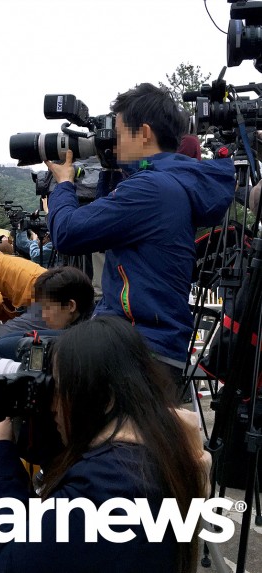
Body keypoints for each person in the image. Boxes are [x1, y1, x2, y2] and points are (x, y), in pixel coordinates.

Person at [0, 316, 209, 573]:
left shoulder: (104, 485)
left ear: (100, 396)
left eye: (59, 388)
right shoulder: (162, 444)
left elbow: (4, 562)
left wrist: (0, 447)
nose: (52, 405)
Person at [46, 83, 234, 387]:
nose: (113, 142)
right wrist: (110, 170)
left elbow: (67, 233)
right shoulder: (167, 183)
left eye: (118, 133)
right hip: (150, 346)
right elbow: (110, 225)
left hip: (140, 352)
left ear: (144, 133)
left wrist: (64, 184)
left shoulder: (151, 189)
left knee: (22, 360)